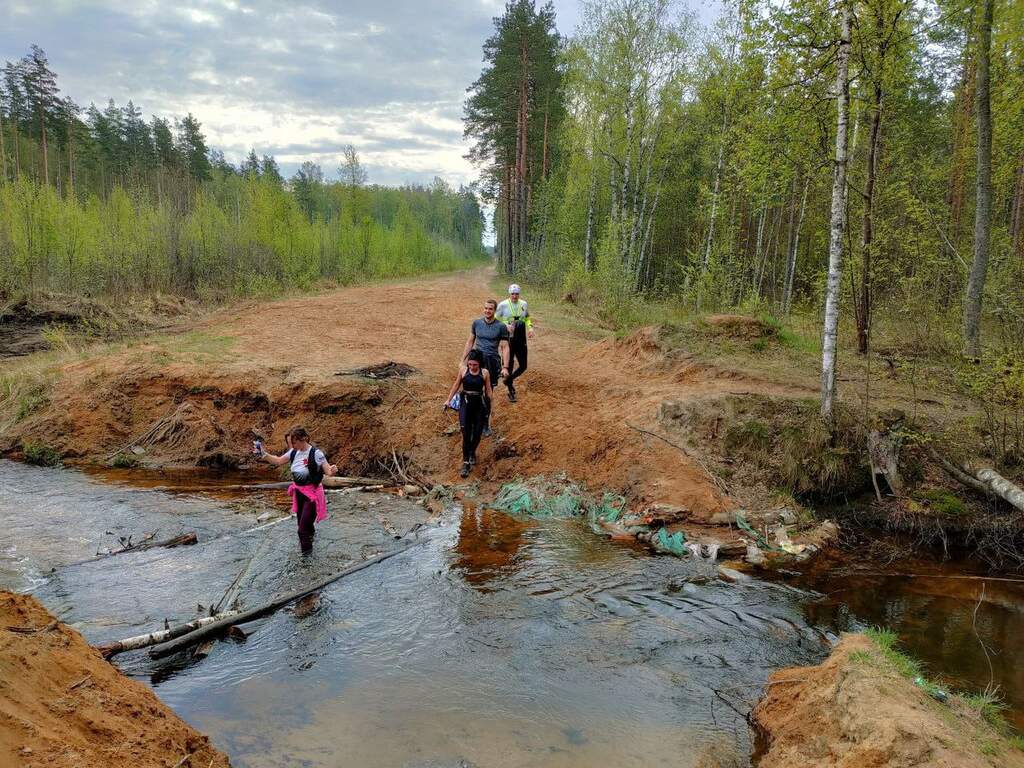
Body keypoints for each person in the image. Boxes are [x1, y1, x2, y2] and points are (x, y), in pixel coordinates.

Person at [253, 425, 338, 554]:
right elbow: (278, 460)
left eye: (294, 442)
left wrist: (332, 470)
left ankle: (307, 561)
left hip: (312, 495)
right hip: (299, 493)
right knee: (304, 525)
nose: (292, 445)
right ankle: (312, 542)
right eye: (291, 443)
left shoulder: (316, 453)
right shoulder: (293, 452)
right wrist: (263, 453)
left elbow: (328, 471)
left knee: (302, 530)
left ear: (303, 439)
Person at [461, 298, 509, 437]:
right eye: (486, 308)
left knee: (488, 393)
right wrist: (463, 360)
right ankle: (469, 420)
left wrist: (505, 367)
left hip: (492, 362)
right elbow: (470, 341)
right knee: (470, 390)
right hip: (476, 360)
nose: (487, 311)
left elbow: (505, 347)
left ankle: (485, 423)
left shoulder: (501, 327)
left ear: (495, 311)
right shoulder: (476, 323)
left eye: (490, 309)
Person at [444, 349, 492, 478]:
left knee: (477, 433)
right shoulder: (463, 371)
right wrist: (448, 400)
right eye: (470, 364)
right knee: (466, 433)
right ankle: (465, 464)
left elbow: (488, 393)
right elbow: (456, 385)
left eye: (475, 365)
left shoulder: (485, 373)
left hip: (478, 405)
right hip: (465, 403)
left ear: (479, 364)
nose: (472, 367)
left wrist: (489, 410)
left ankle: (472, 452)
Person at [495, 283, 534, 402]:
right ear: (509, 294)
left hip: (521, 336)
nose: (515, 296)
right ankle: (511, 390)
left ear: (519, 294)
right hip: (508, 337)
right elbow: (496, 318)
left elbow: (527, 317)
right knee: (509, 364)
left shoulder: (524, 304)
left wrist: (530, 328)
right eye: (512, 294)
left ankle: (508, 380)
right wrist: (505, 325)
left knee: (523, 365)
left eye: (517, 294)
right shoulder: (503, 305)